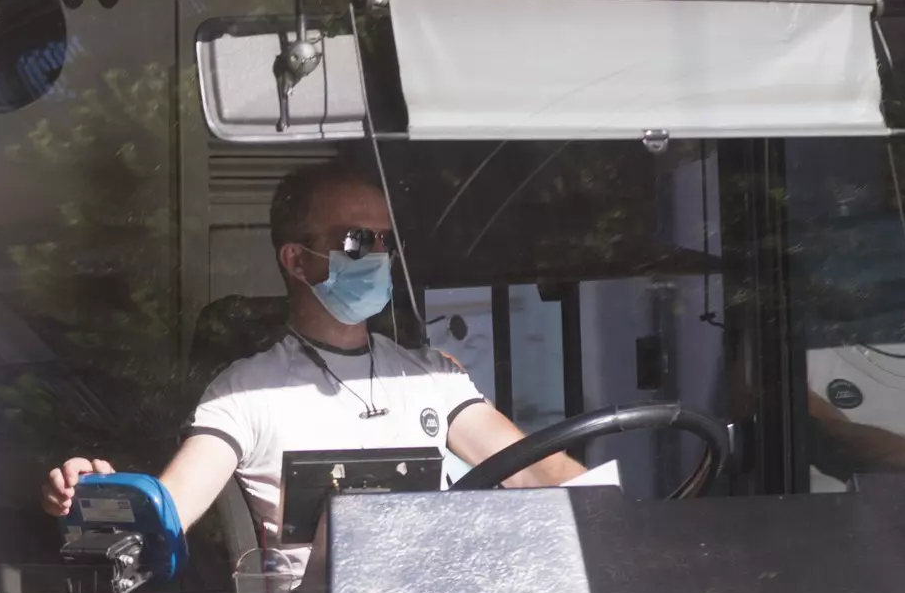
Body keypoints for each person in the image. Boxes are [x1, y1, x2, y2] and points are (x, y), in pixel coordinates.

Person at [42, 160, 583, 570]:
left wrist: (620, 513)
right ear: (296, 259)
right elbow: (167, 511)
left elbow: (536, 469)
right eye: (354, 240)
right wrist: (97, 497)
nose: (375, 254)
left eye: (384, 241)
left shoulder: (432, 377)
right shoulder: (246, 393)